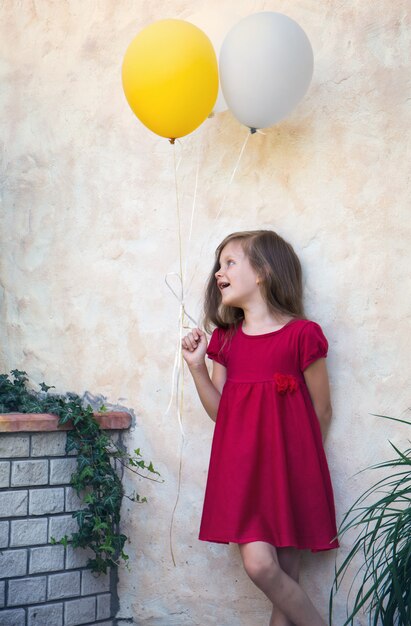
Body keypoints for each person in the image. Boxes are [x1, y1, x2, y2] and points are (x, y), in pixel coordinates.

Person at [181, 230, 339, 626]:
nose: (219, 272)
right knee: (260, 565)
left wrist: (299, 469)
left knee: (286, 581)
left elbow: (321, 410)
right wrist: (197, 366)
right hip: (244, 476)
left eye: (230, 262)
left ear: (264, 272)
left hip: (291, 475)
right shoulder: (226, 341)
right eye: (218, 266)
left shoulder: (302, 335)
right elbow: (220, 411)